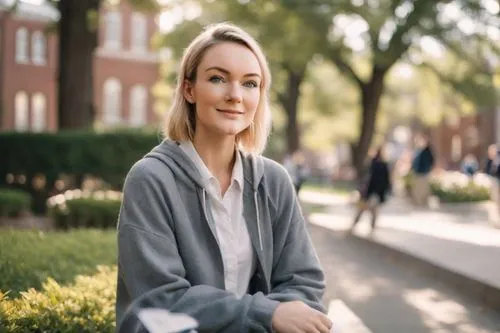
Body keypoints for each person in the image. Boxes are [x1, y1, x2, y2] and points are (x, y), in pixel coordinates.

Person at [116, 23, 332, 333]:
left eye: (250, 83)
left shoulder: (273, 181)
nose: (235, 95)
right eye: (218, 79)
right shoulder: (150, 179)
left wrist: (278, 315)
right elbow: (161, 299)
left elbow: (304, 282)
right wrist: (267, 314)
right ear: (189, 89)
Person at [350, 146, 392, 232]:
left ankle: (357, 224)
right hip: (375, 192)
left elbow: (368, 179)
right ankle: (370, 226)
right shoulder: (382, 166)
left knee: (364, 209)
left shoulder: (373, 164)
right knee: (371, 210)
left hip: (370, 191)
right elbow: (386, 182)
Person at [410, 133, 435, 206]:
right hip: (418, 173)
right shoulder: (418, 151)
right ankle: (419, 202)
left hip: (424, 173)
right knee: (418, 189)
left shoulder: (427, 151)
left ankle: (423, 202)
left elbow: (431, 161)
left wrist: (427, 169)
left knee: (424, 189)